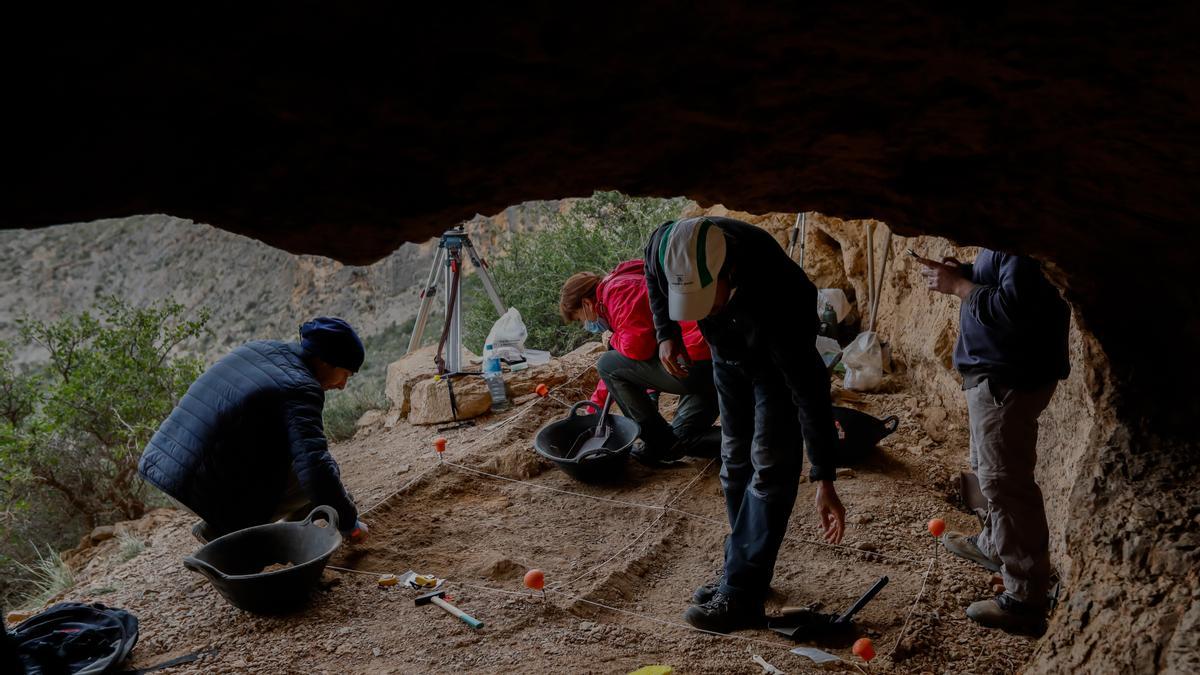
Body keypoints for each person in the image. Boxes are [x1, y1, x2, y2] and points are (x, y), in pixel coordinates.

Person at [644, 216, 846, 633]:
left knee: (770, 465)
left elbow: (809, 392)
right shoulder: (667, 246)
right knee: (734, 456)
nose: (705, 310)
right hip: (727, 353)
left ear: (728, 272)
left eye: (708, 299)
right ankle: (740, 575)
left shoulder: (779, 297)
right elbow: (653, 278)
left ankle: (741, 595)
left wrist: (824, 475)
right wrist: (667, 333)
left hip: (773, 362)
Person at [917, 249, 1070, 635]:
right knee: (990, 472)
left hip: (1009, 376)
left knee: (1005, 482)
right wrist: (967, 271)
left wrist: (959, 286)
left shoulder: (1027, 235)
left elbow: (1014, 307)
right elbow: (1006, 281)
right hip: (995, 374)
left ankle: (1023, 598)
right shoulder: (1010, 235)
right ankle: (994, 545)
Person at [139, 317, 369, 544]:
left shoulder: (259, 349)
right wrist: (349, 523)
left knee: (293, 466)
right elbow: (316, 470)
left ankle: (226, 525)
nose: (342, 385)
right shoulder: (301, 387)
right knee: (316, 477)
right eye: (346, 374)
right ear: (327, 361)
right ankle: (231, 535)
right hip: (195, 484)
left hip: (164, 466)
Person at [560, 260, 720, 462]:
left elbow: (635, 351)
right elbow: (632, 366)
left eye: (580, 319)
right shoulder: (619, 288)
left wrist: (614, 340)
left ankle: (658, 444)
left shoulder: (618, 293)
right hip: (709, 365)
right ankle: (760, 444)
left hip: (697, 361)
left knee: (606, 363)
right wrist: (594, 408)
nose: (586, 324)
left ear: (586, 304)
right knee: (683, 439)